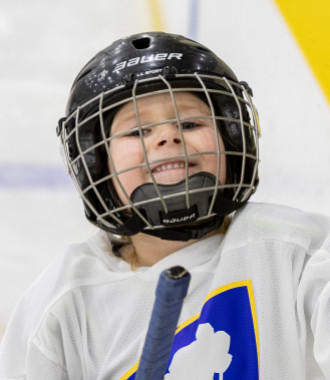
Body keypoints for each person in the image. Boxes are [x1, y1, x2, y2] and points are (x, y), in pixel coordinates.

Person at [0, 31, 329, 380]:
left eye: (189, 124)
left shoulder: (299, 253)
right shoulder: (63, 304)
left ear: (233, 138)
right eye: (137, 131)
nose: (167, 137)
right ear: (97, 163)